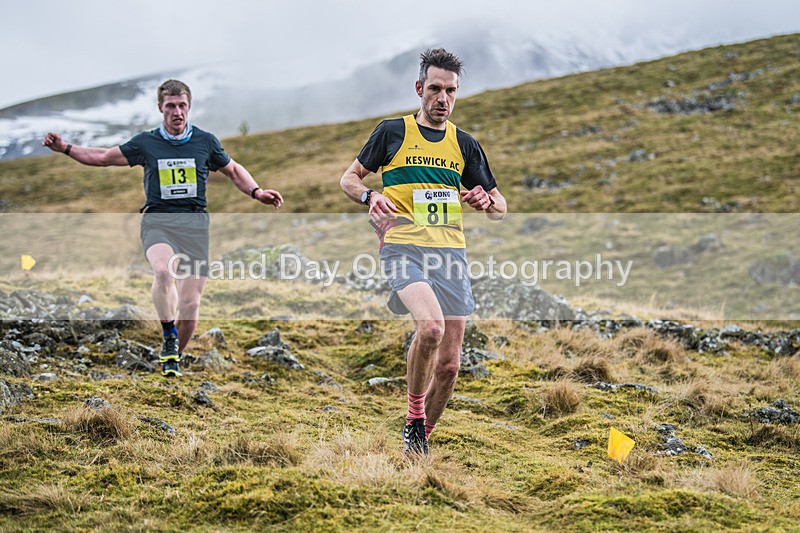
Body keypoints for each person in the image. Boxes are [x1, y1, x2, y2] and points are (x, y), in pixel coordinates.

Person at [43, 80, 283, 377]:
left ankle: (172, 358)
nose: (177, 112)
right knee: (163, 271)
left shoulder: (205, 142)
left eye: (182, 105)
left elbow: (233, 170)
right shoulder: (146, 143)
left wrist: (257, 192)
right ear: (160, 108)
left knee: (190, 305)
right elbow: (103, 158)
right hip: (158, 221)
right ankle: (169, 333)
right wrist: (64, 148)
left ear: (189, 107)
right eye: (171, 106)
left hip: (194, 225)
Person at [340, 49, 507, 456]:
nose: (442, 99)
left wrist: (486, 202)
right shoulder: (392, 132)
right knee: (431, 328)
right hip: (404, 248)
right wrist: (369, 197)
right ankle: (414, 417)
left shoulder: (464, 144)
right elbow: (349, 178)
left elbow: (500, 207)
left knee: (450, 366)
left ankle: (418, 445)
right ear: (419, 88)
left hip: (451, 256)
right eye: (435, 89)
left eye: (451, 91)